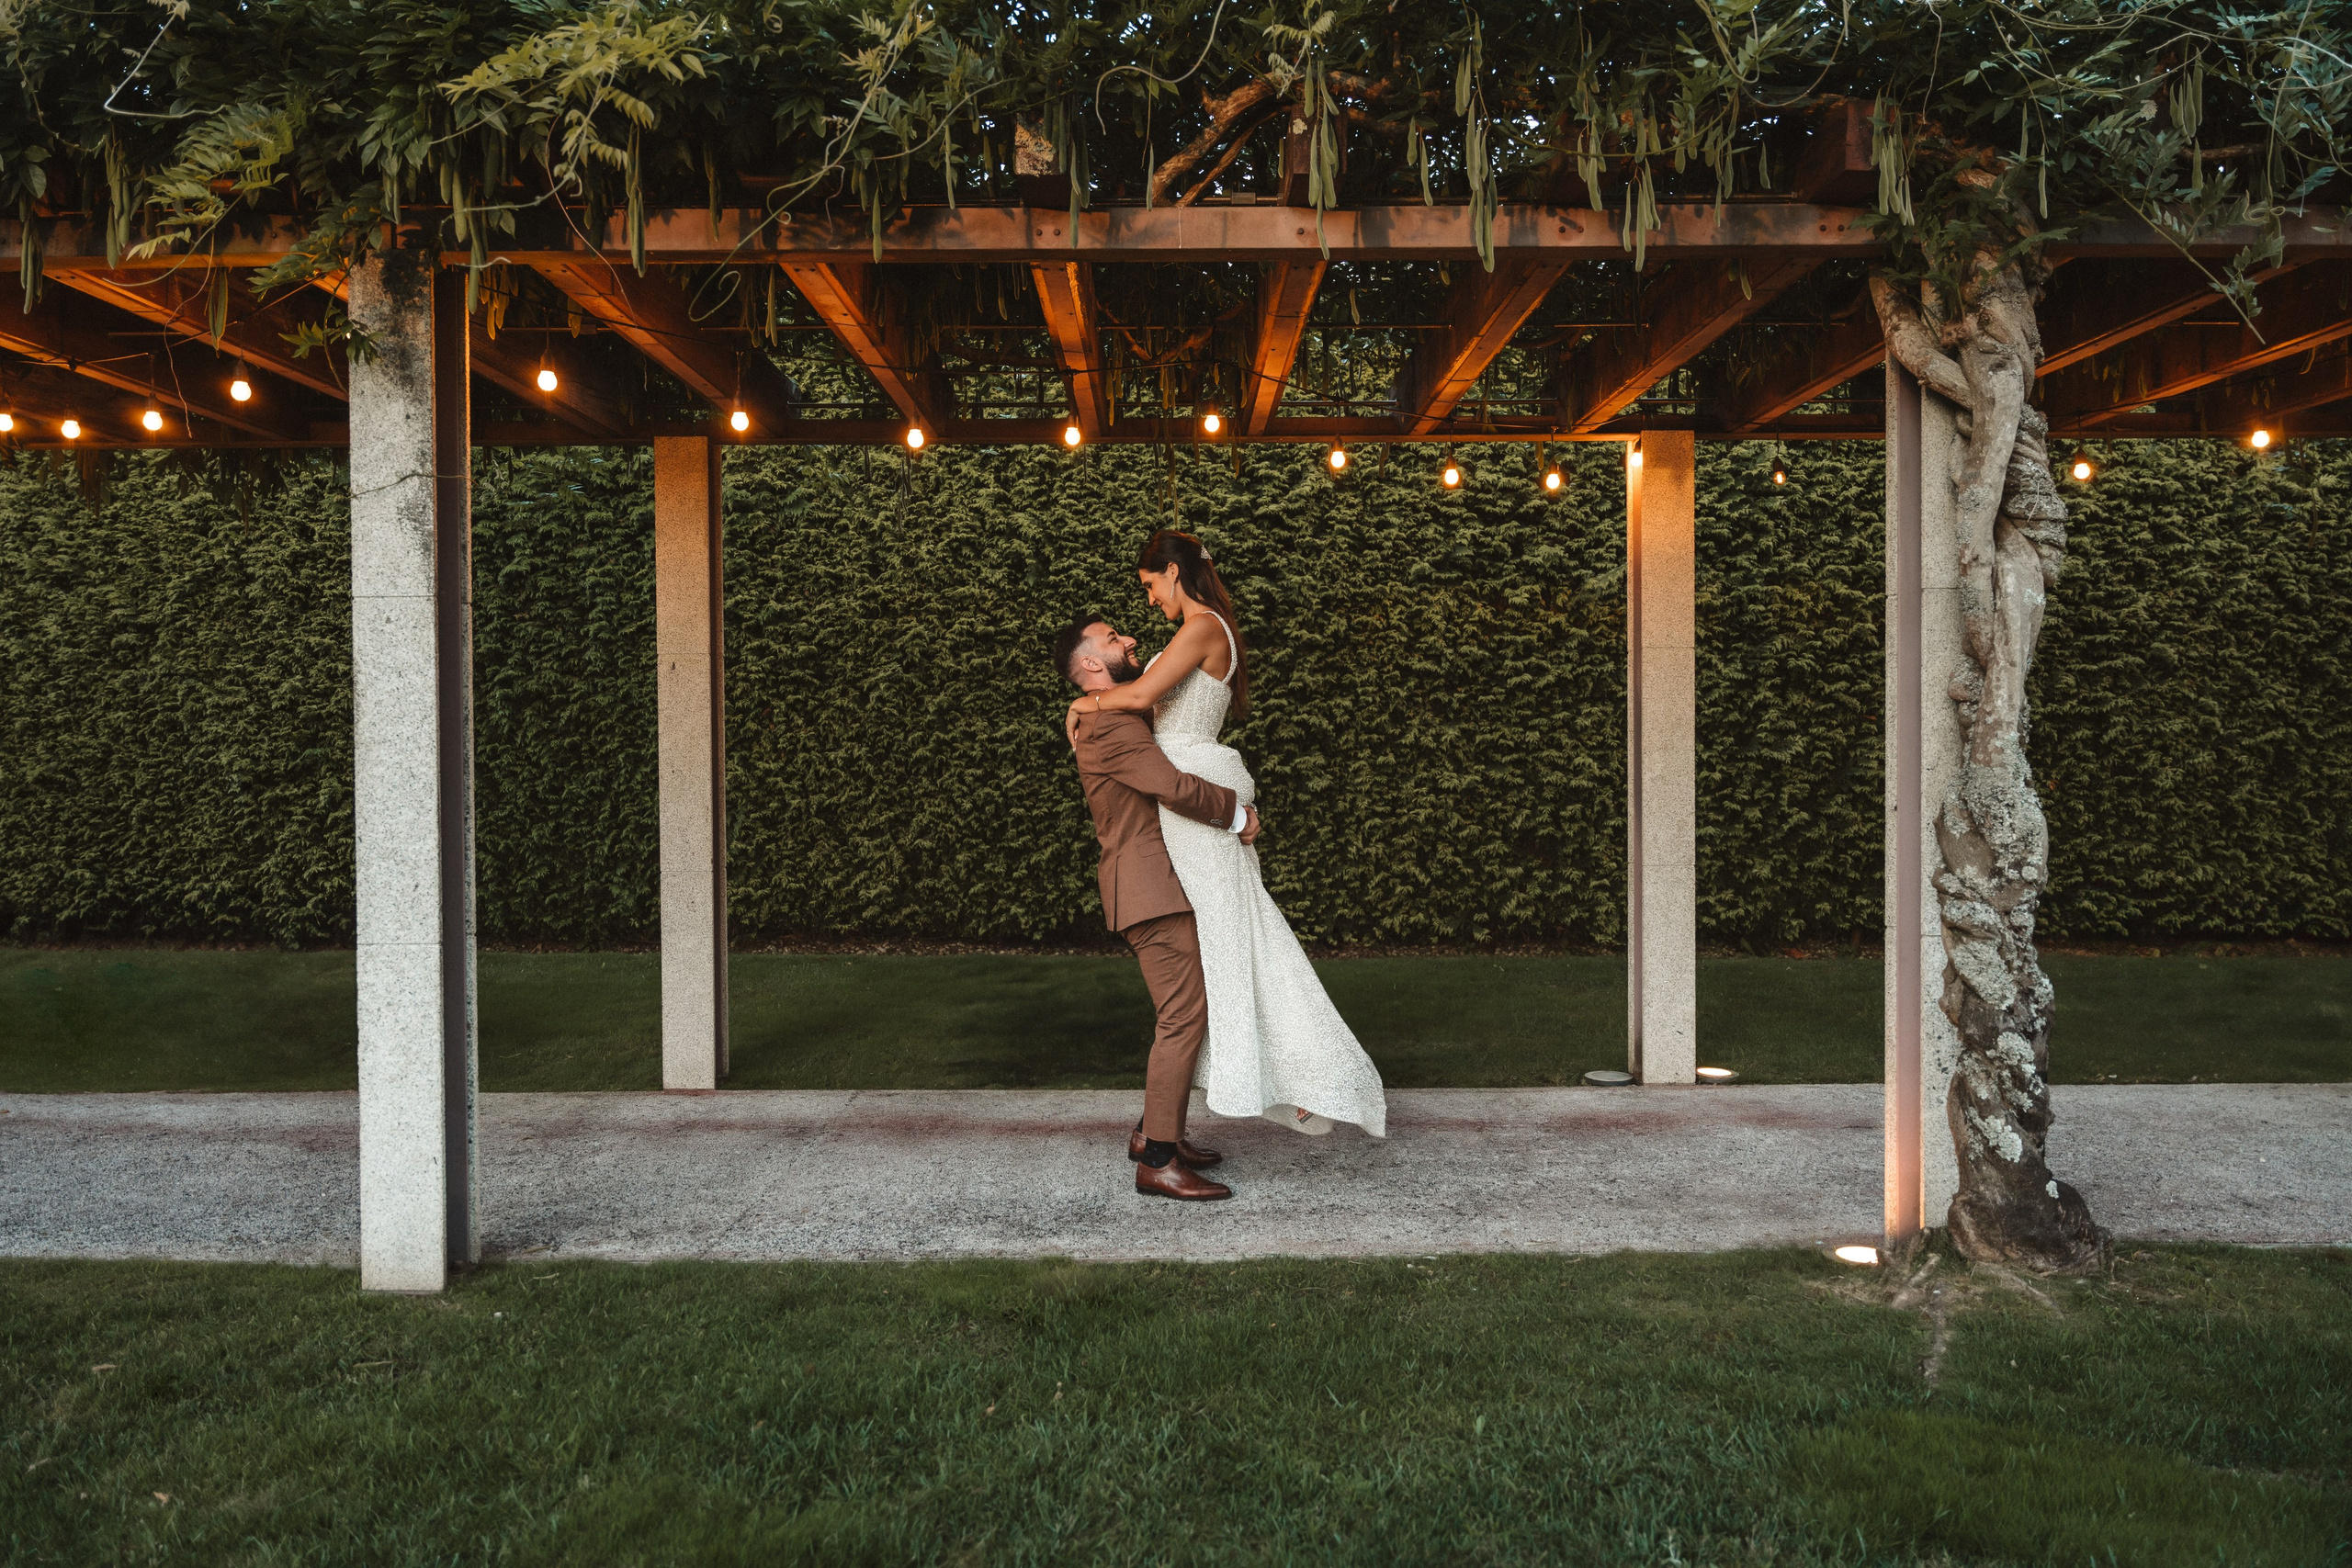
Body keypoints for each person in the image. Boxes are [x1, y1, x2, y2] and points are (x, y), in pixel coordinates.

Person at [1067, 531, 1388, 1140]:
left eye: (1149, 585)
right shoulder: (1192, 632)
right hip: (1187, 797)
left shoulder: (1204, 627)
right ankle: (1181, 1117)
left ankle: (1291, 1079)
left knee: (1234, 944)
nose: (1149, 600)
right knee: (1215, 955)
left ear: (1170, 571)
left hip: (1194, 797)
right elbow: (1140, 708)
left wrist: (1083, 707)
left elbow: (1135, 695)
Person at [1056, 612, 1261, 1201]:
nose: (1130, 641)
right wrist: (1238, 812)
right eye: (1115, 638)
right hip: (1150, 888)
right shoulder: (1113, 730)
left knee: (1183, 1013)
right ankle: (1159, 1164)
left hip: (1156, 884)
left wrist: (1084, 705)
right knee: (1181, 1018)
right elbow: (1171, 786)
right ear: (1092, 663)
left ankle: (1155, 1134)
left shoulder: (1111, 717)